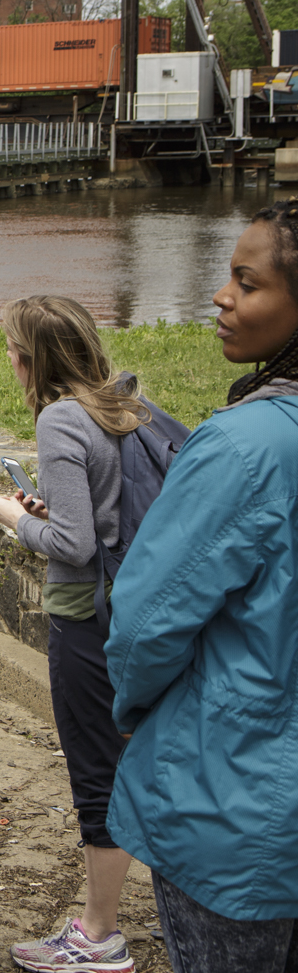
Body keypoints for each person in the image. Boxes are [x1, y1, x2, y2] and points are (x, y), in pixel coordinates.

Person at [105, 201, 298, 971]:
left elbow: (148, 617)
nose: (222, 297)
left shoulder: (243, 446)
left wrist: (131, 705)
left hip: (232, 798)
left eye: (246, 282)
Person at [0, 295, 149, 973]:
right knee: (129, 758)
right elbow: (106, 513)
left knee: (95, 774)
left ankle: (99, 934)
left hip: (85, 620)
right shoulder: (120, 403)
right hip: (130, 610)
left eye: (11, 350)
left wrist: (12, 518)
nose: (8, 360)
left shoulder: (58, 418)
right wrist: (53, 508)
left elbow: (76, 544)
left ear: (30, 359)